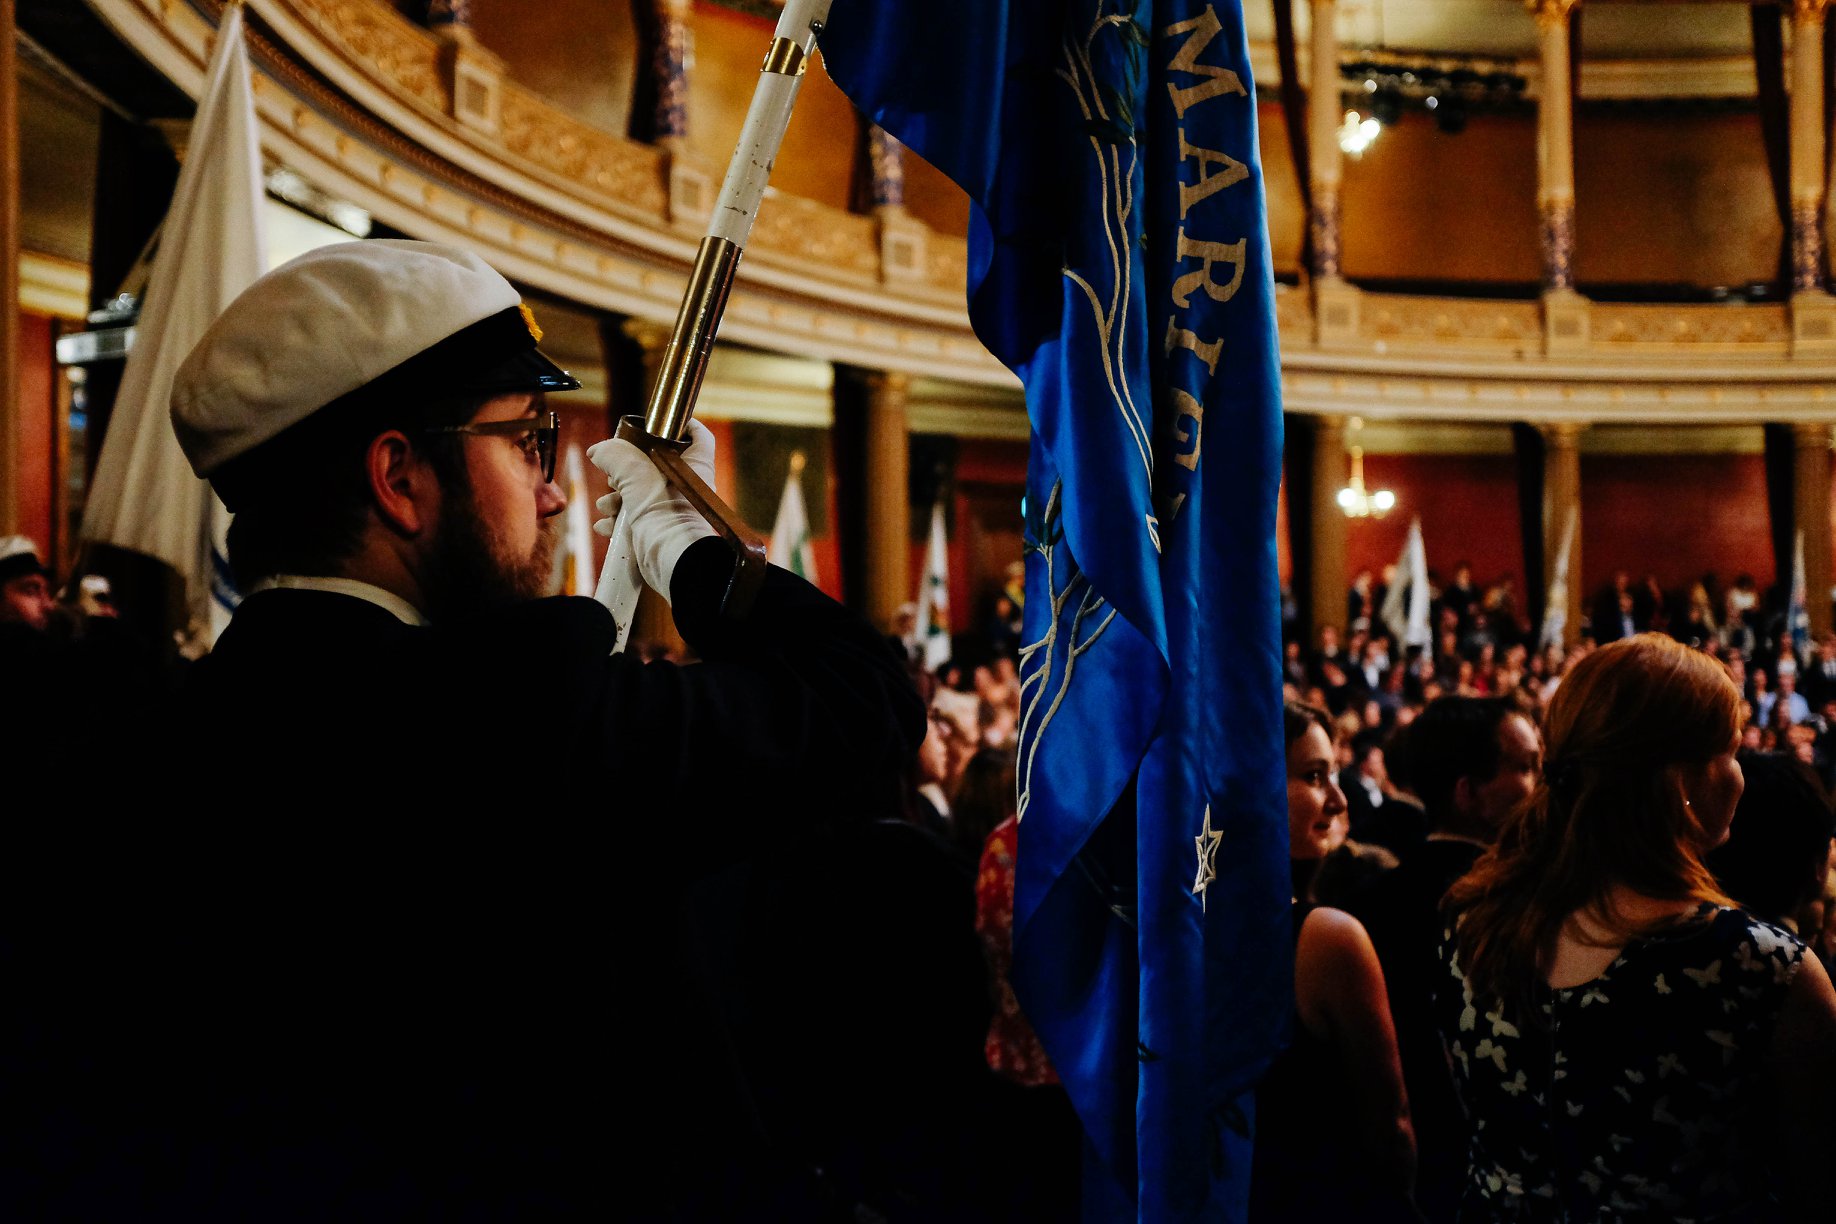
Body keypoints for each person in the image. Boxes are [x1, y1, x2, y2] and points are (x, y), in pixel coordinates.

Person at [5, 241, 925, 1221]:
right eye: (528, 438)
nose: (556, 489)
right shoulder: (529, 724)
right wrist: (693, 550)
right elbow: (866, 702)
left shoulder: (120, 761)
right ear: (400, 476)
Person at [1438, 634, 1836, 1220]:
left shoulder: (1471, 923)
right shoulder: (1760, 970)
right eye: (1730, 751)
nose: (1741, 773)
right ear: (1681, 786)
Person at [1354, 696, 1542, 1223]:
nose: (1541, 785)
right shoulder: (1524, 910)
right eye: (1526, 767)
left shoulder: (1369, 904)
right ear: (1468, 792)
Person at [1252, 701, 1417, 1222]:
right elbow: (1390, 1128)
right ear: (1249, 785)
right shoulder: (1329, 940)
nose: (1340, 800)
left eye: (1337, 776)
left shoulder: (1168, 929)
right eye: (1314, 776)